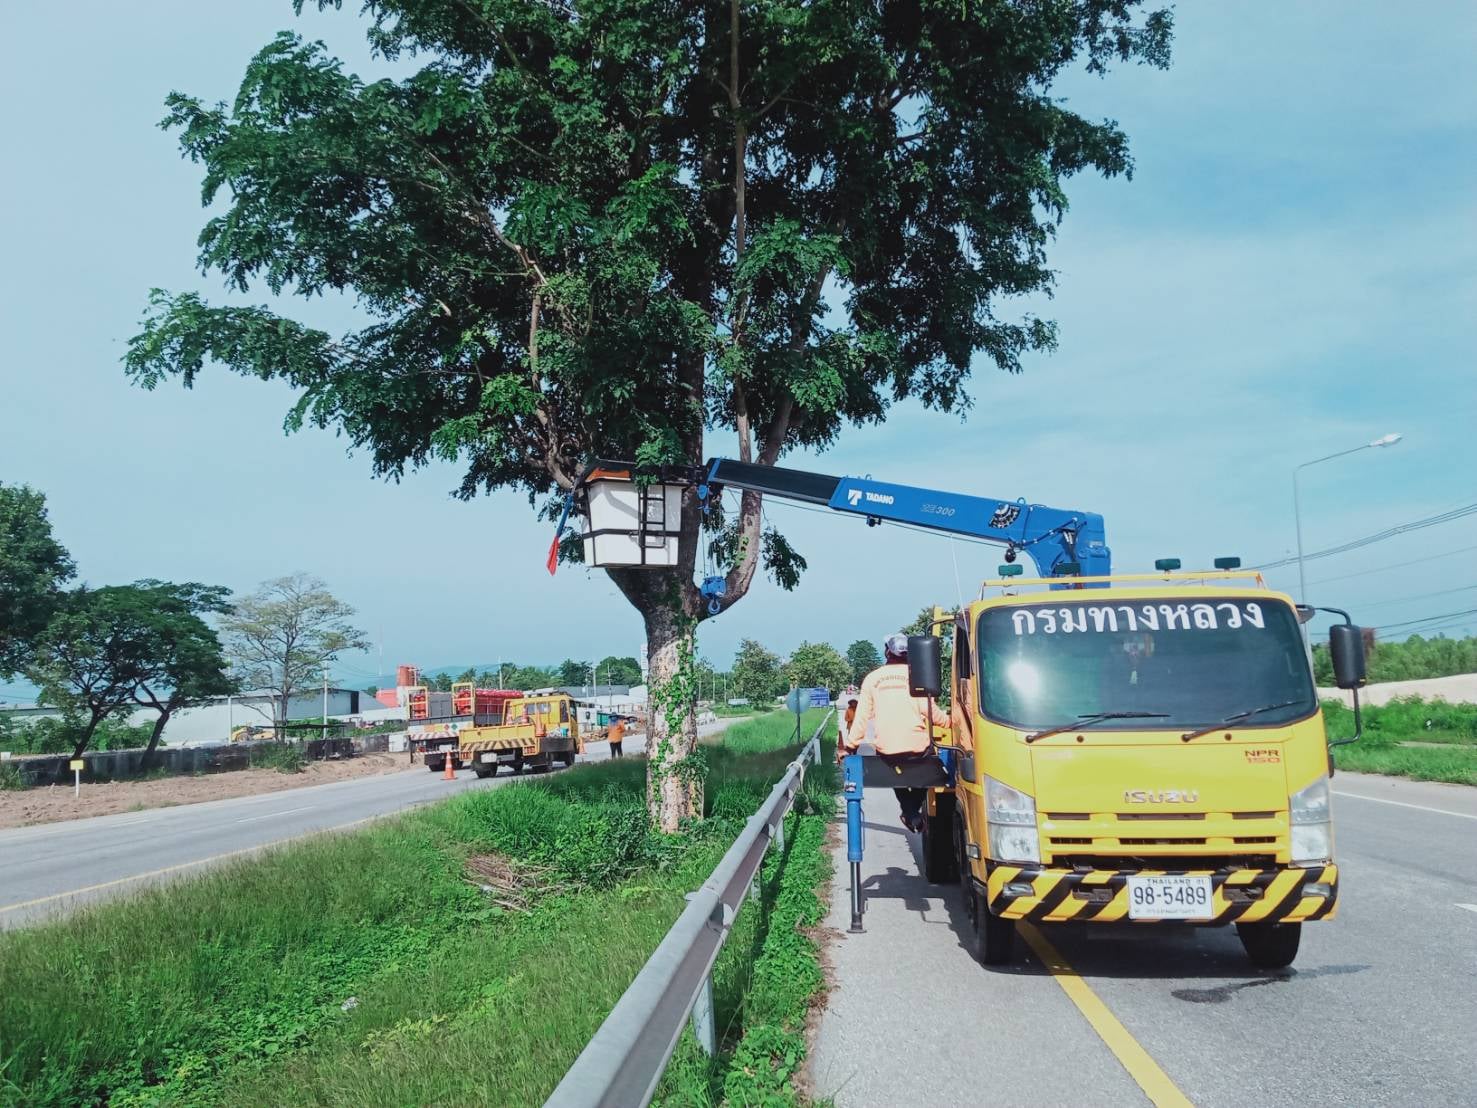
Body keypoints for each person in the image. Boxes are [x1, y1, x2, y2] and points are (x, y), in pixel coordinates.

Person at [845, 633, 949, 833]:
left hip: (888, 751)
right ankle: (911, 811)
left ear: (887, 652)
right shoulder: (918, 676)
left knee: (894, 772)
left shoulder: (873, 679)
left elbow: (862, 716)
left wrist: (851, 746)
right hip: (918, 749)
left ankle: (909, 812)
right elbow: (932, 713)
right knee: (930, 772)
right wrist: (950, 722)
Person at [836, 694, 860, 764]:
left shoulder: (858, 710)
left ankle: (855, 751)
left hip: (857, 727)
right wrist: (851, 719)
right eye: (852, 703)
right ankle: (851, 750)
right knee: (851, 739)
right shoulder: (848, 710)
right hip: (851, 727)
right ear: (850, 704)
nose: (854, 704)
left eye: (855, 703)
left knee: (857, 740)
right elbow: (846, 719)